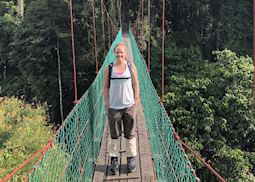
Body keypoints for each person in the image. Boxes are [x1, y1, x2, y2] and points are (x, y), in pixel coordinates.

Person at [103, 43, 140, 175]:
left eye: (122, 53)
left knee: (130, 134)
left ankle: (131, 159)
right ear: (114, 53)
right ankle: (114, 160)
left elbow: (136, 83)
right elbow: (105, 86)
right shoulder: (109, 68)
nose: (119, 55)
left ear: (125, 54)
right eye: (117, 52)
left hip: (129, 106)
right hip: (114, 107)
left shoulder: (130, 67)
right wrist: (107, 103)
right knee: (114, 135)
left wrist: (136, 100)